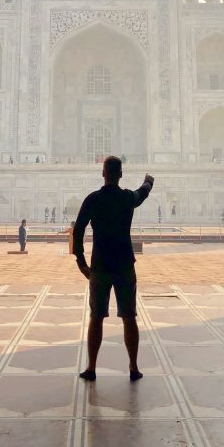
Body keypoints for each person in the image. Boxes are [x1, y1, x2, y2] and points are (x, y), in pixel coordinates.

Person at [73, 155, 154, 383]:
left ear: (103, 173)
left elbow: (78, 229)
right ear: (120, 174)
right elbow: (142, 194)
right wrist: (149, 181)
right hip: (124, 265)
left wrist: (81, 261)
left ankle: (91, 367)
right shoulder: (127, 198)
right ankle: (133, 367)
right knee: (129, 317)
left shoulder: (93, 199)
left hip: (99, 266)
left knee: (96, 317)